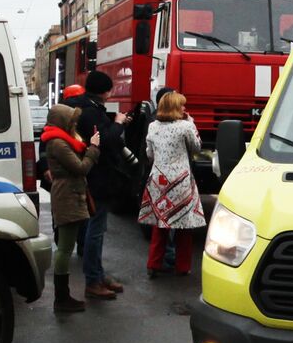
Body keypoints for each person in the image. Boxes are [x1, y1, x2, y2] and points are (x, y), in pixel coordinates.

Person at [64, 71, 134, 300]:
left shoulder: (84, 107)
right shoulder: (92, 112)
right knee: (95, 231)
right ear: (106, 91)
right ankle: (93, 280)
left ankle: (98, 274)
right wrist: (118, 124)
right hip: (97, 177)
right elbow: (106, 140)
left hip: (92, 176)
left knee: (96, 229)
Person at [138, 91, 206, 278]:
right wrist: (192, 123)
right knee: (184, 226)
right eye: (182, 105)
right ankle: (182, 267)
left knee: (160, 225)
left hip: (158, 180)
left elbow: (150, 154)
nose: (184, 108)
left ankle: (154, 264)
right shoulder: (185, 126)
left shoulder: (153, 126)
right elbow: (196, 147)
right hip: (181, 181)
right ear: (176, 108)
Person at [41, 104, 100, 312]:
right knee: (65, 247)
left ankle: (63, 297)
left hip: (69, 194)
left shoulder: (59, 141)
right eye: (71, 121)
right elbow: (81, 167)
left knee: (66, 246)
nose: (74, 124)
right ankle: (62, 298)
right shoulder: (59, 144)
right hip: (67, 195)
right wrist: (93, 149)